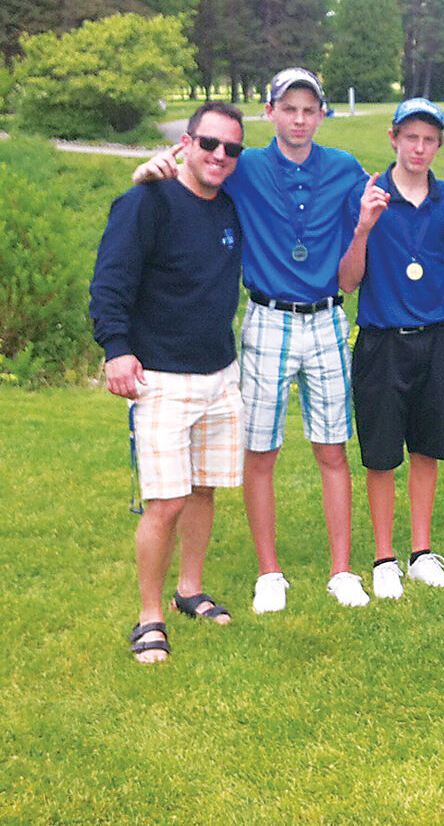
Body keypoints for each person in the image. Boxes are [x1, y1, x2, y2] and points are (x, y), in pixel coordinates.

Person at [133, 68, 371, 612]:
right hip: (267, 318)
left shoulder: (342, 168)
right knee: (260, 452)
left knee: (333, 449)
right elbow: (193, 169)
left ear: (322, 115)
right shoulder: (246, 165)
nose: (300, 119)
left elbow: (393, 200)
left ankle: (341, 571)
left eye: (310, 109)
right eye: (289, 108)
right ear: (271, 112)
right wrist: (150, 168)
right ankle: (270, 573)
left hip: (329, 316)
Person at [91, 101, 245, 663]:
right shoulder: (145, 202)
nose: (219, 157)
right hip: (160, 377)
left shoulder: (230, 209)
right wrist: (116, 350)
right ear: (185, 143)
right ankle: (149, 616)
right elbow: (109, 282)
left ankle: (189, 590)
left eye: (231, 149)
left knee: (204, 489)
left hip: (221, 376)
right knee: (166, 501)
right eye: (209, 144)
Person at [339, 98, 444, 599]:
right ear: (393, 138)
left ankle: (420, 552)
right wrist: (365, 226)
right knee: (382, 454)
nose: (419, 147)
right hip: (382, 340)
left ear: (439, 145)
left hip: (435, 339)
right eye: (410, 137)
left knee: (428, 448)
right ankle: (384, 557)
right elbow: (347, 282)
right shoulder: (366, 195)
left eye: (429, 139)